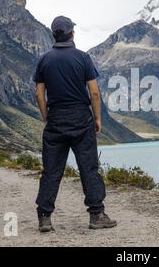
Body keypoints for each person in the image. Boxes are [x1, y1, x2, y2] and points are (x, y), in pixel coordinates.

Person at [33, 16, 117, 232]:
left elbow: (39, 94)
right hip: (81, 118)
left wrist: (46, 117)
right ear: (71, 33)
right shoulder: (83, 58)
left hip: (56, 119)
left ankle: (44, 218)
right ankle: (96, 215)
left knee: (51, 171)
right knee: (88, 168)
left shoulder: (44, 60)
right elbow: (95, 92)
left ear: (54, 34)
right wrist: (97, 118)